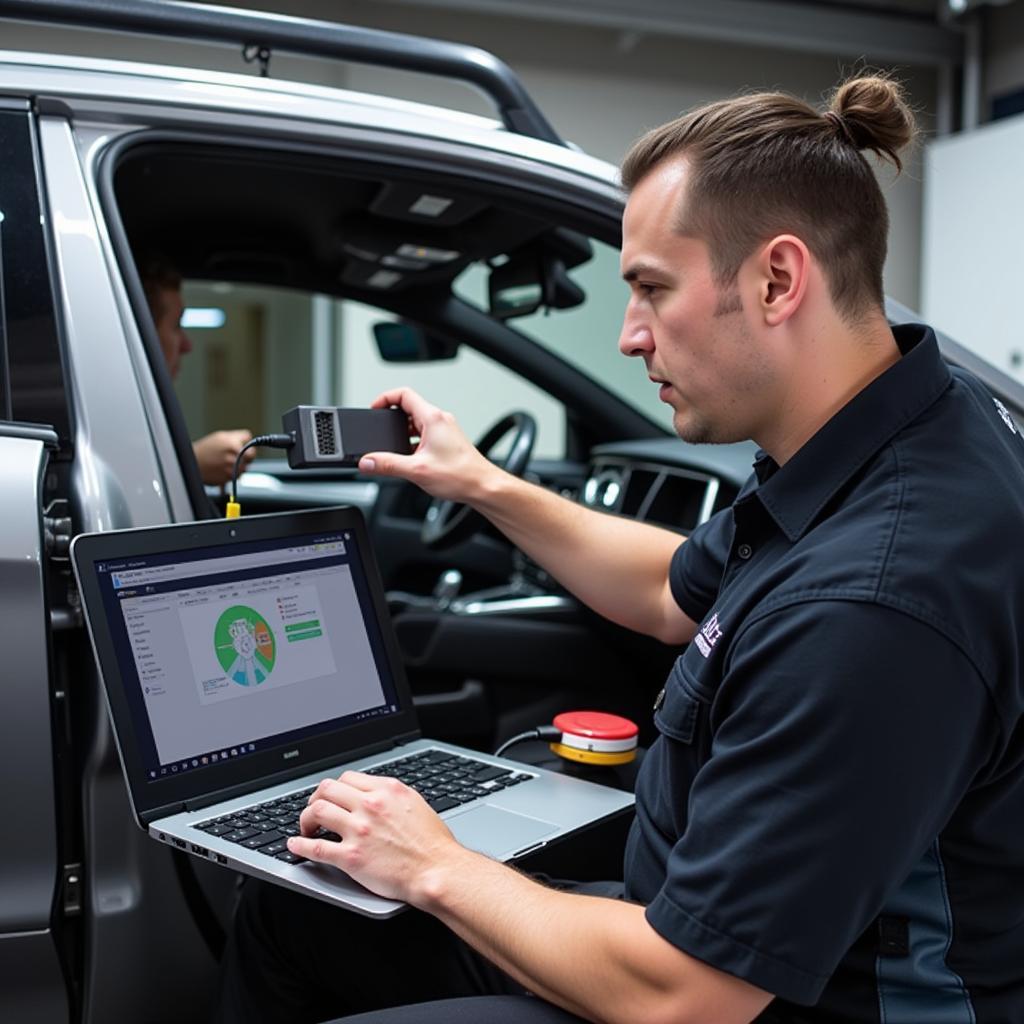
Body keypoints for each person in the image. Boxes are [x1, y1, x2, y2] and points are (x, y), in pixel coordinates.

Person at [217, 75, 1024, 1024]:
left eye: (651, 289)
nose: (629, 335)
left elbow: (685, 995)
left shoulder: (875, 604)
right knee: (295, 916)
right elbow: (670, 591)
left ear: (777, 279)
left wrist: (434, 865)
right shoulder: (884, 433)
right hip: (687, 934)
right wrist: (477, 482)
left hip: (744, 997)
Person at [141, 258, 255, 487]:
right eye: (176, 325)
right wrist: (191, 465)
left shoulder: (148, 408)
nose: (187, 346)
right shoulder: (112, 412)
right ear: (144, 335)